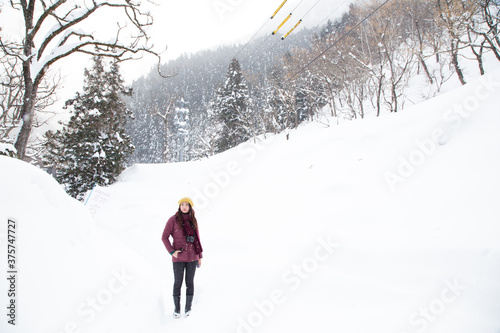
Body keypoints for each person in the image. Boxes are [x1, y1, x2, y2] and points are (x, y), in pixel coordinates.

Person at [161, 197, 203, 318]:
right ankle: (177, 309)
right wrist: (171, 251)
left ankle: (188, 308)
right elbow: (164, 237)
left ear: (190, 207)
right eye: (182, 204)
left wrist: (199, 256)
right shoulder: (173, 220)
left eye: (187, 205)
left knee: (190, 282)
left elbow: (197, 239)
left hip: (192, 257)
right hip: (178, 258)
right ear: (179, 206)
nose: (184, 207)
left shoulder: (193, 220)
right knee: (177, 283)